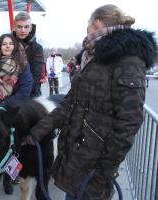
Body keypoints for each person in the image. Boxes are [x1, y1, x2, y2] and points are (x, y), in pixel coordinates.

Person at [26, 4, 157, 200]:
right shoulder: (93, 55)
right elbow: (70, 102)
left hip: (96, 163)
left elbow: (129, 122)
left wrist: (106, 168)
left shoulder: (128, 58)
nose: (86, 26)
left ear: (96, 22)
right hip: (78, 153)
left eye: (88, 21)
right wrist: (38, 131)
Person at [0, 33, 33, 194]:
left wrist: (5, 105)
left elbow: (26, 87)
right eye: (4, 44)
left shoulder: (23, 64)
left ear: (14, 46)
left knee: (15, 145)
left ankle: (9, 177)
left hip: (15, 110)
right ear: (0, 47)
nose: (7, 46)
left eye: (10, 43)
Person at [13, 11, 44, 98]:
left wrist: (19, 95)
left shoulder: (37, 48)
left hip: (30, 96)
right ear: (14, 27)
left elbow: (35, 77)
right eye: (19, 27)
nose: (23, 30)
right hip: (8, 95)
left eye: (26, 27)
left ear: (31, 28)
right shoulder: (7, 45)